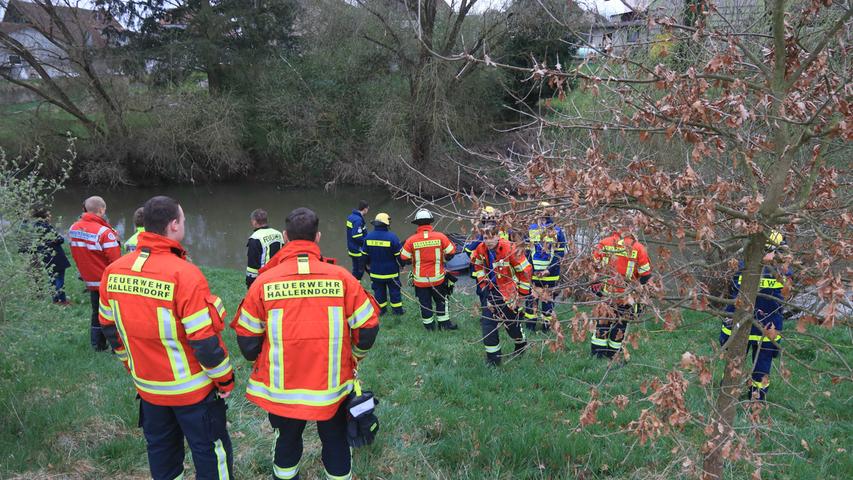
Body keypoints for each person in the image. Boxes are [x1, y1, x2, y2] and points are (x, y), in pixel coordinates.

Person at [232, 207, 380, 480]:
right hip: (333, 387)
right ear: (319, 237)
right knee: (336, 441)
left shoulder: (264, 282)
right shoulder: (342, 278)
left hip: (282, 389)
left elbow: (247, 341)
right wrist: (355, 356)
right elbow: (368, 327)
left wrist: (262, 360)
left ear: (286, 237)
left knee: (287, 442)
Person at [98, 195, 235, 480]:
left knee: (161, 453)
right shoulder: (185, 274)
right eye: (183, 220)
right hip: (192, 391)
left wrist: (132, 367)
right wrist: (225, 380)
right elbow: (205, 342)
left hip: (149, 389)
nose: (183, 225)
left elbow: (110, 330)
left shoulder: (113, 272)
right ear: (174, 225)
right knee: (210, 451)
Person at [720, 230, 792, 401]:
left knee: (737, 364)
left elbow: (732, 293)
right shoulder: (783, 272)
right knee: (760, 368)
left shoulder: (743, 266)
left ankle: (730, 394)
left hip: (744, 328)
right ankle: (755, 399)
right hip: (766, 329)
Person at [470, 224, 532, 366]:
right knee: (488, 325)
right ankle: (493, 359)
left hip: (509, 293)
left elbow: (525, 272)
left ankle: (520, 345)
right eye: (486, 238)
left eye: (492, 237)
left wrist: (521, 296)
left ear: (498, 236)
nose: (489, 241)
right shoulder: (480, 249)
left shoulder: (510, 248)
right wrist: (483, 286)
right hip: (491, 292)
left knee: (512, 326)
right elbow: (478, 267)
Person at [69, 196, 122, 351]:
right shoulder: (105, 232)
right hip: (107, 282)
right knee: (113, 315)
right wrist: (116, 241)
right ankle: (116, 346)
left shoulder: (73, 228)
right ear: (101, 210)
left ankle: (97, 345)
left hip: (90, 281)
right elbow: (116, 262)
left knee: (96, 313)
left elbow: (76, 252)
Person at [590, 229, 652, 359]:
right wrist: (636, 292)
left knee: (602, 323)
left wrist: (596, 287)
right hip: (626, 296)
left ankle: (597, 354)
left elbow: (593, 267)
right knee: (620, 325)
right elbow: (645, 276)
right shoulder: (638, 248)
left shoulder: (604, 243)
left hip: (606, 294)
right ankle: (613, 355)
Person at [400, 209, 459, 331]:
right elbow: (451, 252)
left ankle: (429, 327)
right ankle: (444, 325)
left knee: (425, 304)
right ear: (430, 223)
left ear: (417, 223)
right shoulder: (440, 237)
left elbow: (403, 257)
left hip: (420, 281)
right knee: (442, 301)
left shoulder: (411, 240)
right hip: (438, 279)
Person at [524, 202, 567, 332]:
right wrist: (528, 269)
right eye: (539, 215)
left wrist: (549, 269)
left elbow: (560, 253)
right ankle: (530, 326)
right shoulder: (531, 229)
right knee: (531, 298)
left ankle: (545, 327)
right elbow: (527, 252)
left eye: (543, 216)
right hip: (533, 272)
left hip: (551, 273)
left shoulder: (557, 230)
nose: (541, 218)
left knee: (547, 300)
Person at [23, 207, 72, 305]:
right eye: (48, 214)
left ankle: (55, 299)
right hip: (55, 255)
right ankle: (62, 300)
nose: (50, 216)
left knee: (52, 278)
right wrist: (59, 239)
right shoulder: (46, 226)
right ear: (43, 216)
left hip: (45, 255)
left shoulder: (34, 226)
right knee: (59, 279)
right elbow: (60, 239)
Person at [361, 212, 405, 315]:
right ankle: (397, 311)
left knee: (379, 293)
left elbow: (364, 256)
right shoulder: (392, 237)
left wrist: (367, 267)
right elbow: (399, 255)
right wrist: (402, 265)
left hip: (376, 272)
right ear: (387, 224)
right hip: (392, 273)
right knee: (395, 292)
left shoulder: (368, 237)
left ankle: (381, 311)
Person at [246, 208, 284, 288]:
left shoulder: (255, 238)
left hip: (264, 278)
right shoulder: (278, 234)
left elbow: (252, 265)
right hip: (279, 276)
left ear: (254, 222)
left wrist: (250, 283)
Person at [345, 200, 369, 280]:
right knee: (359, 271)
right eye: (367, 209)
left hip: (351, 247)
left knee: (356, 268)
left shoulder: (351, 217)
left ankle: (353, 284)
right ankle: (355, 285)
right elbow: (357, 236)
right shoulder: (358, 220)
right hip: (357, 249)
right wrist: (367, 243)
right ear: (365, 209)